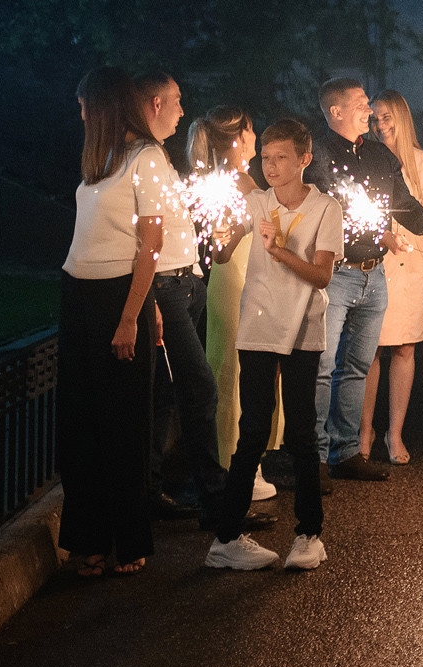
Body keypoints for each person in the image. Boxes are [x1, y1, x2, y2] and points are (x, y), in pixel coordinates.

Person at [203, 117, 339, 571]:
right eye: (265, 158)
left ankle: (308, 535)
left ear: (305, 158)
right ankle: (225, 538)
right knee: (254, 431)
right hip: (258, 329)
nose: (272, 166)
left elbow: (322, 276)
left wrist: (279, 249)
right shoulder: (255, 202)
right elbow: (222, 252)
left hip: (302, 328)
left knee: (302, 431)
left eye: (281, 157)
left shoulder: (326, 209)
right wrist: (220, 238)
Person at [306, 77, 423, 483]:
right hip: (336, 276)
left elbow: (402, 201)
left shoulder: (380, 156)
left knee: (356, 364)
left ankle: (346, 451)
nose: (370, 111)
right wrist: (376, 235)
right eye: (363, 104)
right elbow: (329, 214)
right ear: (337, 112)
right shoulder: (317, 157)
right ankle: (314, 456)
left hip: (374, 277)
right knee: (323, 364)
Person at [58, 66, 166, 576]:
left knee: (123, 425)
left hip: (116, 296)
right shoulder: (100, 158)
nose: (78, 113)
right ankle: (89, 540)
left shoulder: (147, 159)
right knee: (80, 424)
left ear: (101, 106)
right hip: (77, 291)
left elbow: (150, 247)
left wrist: (133, 317)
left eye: (83, 104)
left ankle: (129, 539)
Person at [134, 72, 227, 525]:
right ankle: (215, 498)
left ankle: (151, 490)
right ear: (155, 102)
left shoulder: (157, 155)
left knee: (164, 391)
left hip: (184, 282)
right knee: (199, 386)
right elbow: (138, 235)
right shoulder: (144, 155)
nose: (183, 109)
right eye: (176, 100)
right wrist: (148, 296)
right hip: (166, 287)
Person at [188, 108, 279, 505]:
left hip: (233, 282)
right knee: (240, 373)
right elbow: (225, 250)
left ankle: (236, 461)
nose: (256, 134)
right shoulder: (239, 182)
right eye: (251, 128)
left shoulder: (220, 181)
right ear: (239, 138)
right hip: (239, 283)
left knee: (231, 370)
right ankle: (242, 466)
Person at [366, 91, 423, 464]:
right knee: (369, 347)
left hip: (410, 261)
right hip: (376, 257)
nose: (381, 125)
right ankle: (364, 431)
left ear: (402, 119)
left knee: (404, 347)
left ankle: (395, 434)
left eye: (387, 118)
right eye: (375, 118)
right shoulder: (365, 159)